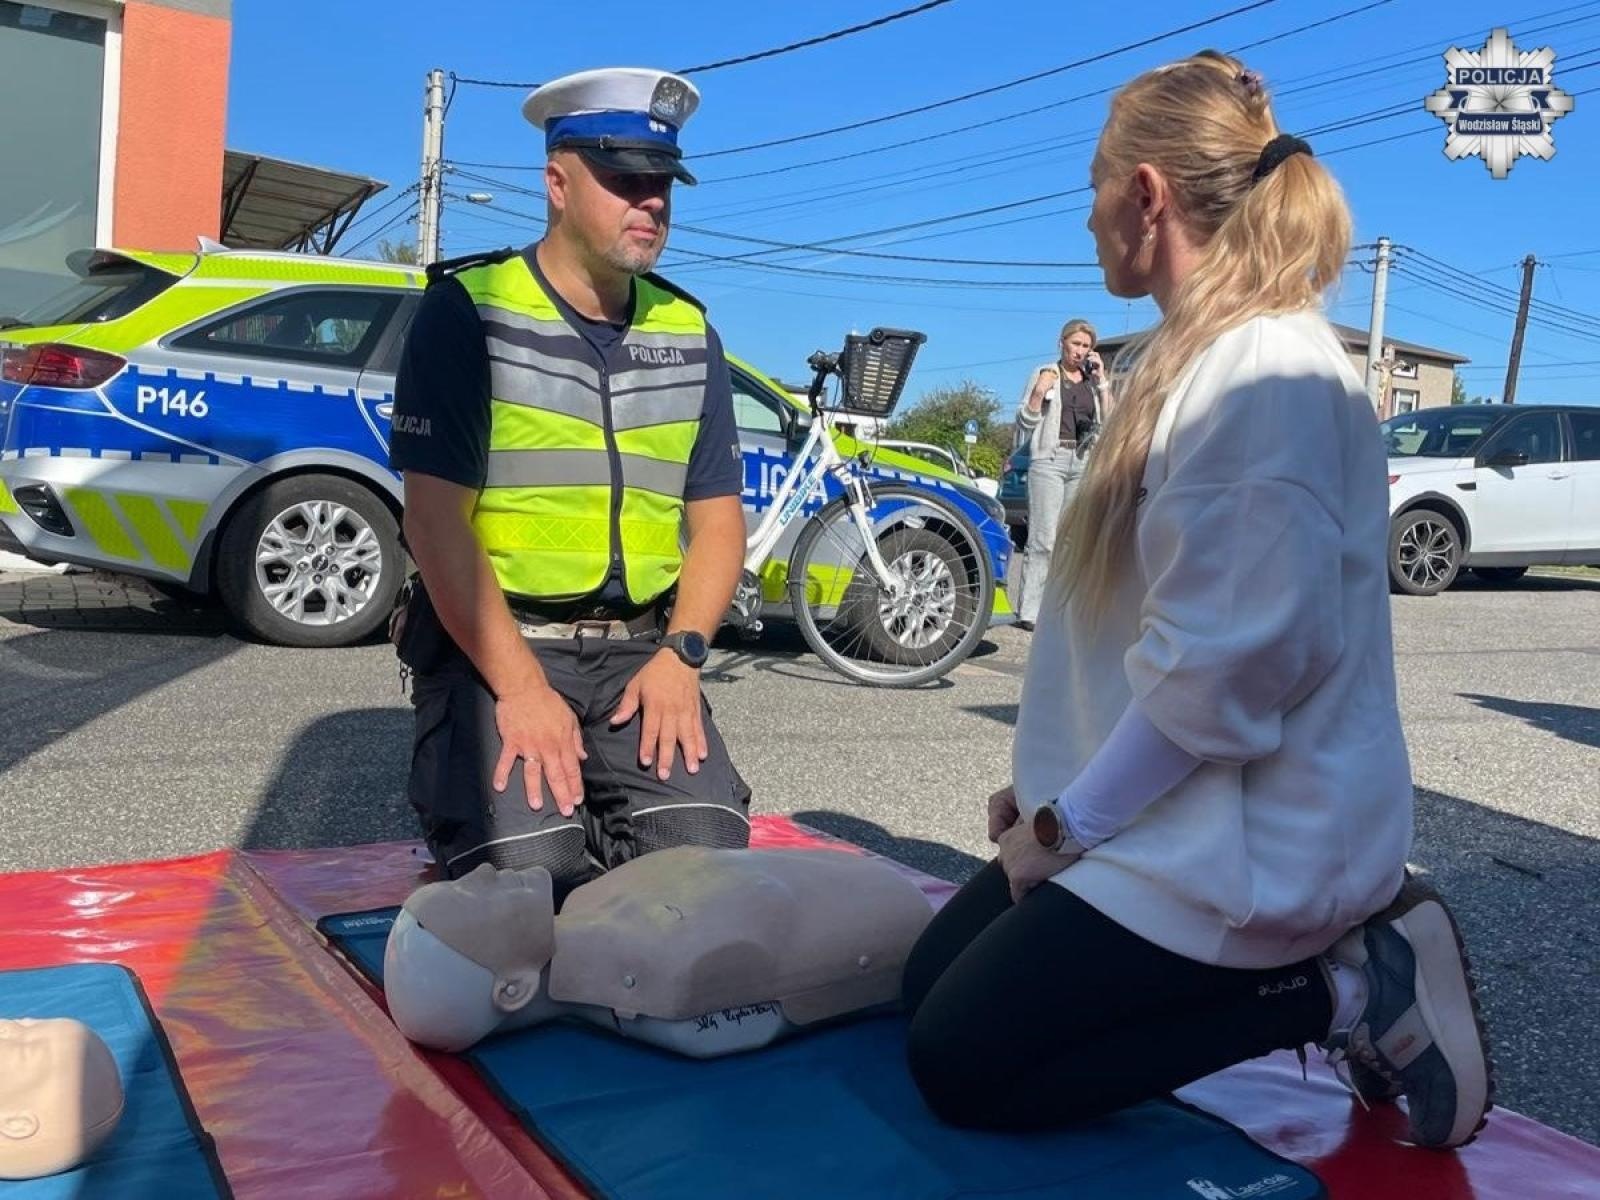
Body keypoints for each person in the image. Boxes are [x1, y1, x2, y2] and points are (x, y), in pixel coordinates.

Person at [901, 52, 1494, 1151]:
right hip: (1174, 817)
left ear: (1146, 195)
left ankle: (1348, 985)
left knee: (963, 1065)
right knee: (927, 991)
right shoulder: (1185, 360)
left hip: (1250, 849)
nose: (1085, 218)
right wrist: (1048, 787)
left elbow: (1223, 675)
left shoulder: (1265, 375)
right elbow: (1145, 636)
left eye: (1092, 187)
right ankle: (1305, 976)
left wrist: (1061, 827)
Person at [387, 67, 752, 900]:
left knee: (706, 883)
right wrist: (520, 690)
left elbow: (720, 524)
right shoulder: (469, 313)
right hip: (504, 653)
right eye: (624, 180)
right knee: (532, 886)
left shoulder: (690, 331)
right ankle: (527, 819)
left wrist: (683, 657)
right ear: (556, 183)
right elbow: (436, 525)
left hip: (642, 657)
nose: (650, 201)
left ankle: (602, 810)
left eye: (661, 183)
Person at [1011, 319, 1110, 630]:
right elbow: (1024, 424)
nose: (1079, 351)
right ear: (1062, 343)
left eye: (1085, 346)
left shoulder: (1092, 383)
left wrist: (1104, 381)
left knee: (1070, 540)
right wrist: (1039, 392)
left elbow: (1112, 422)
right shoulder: (1046, 373)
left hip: (1082, 461)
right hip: (1049, 459)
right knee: (1043, 539)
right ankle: (1029, 611)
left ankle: (1058, 610)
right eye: (1075, 344)